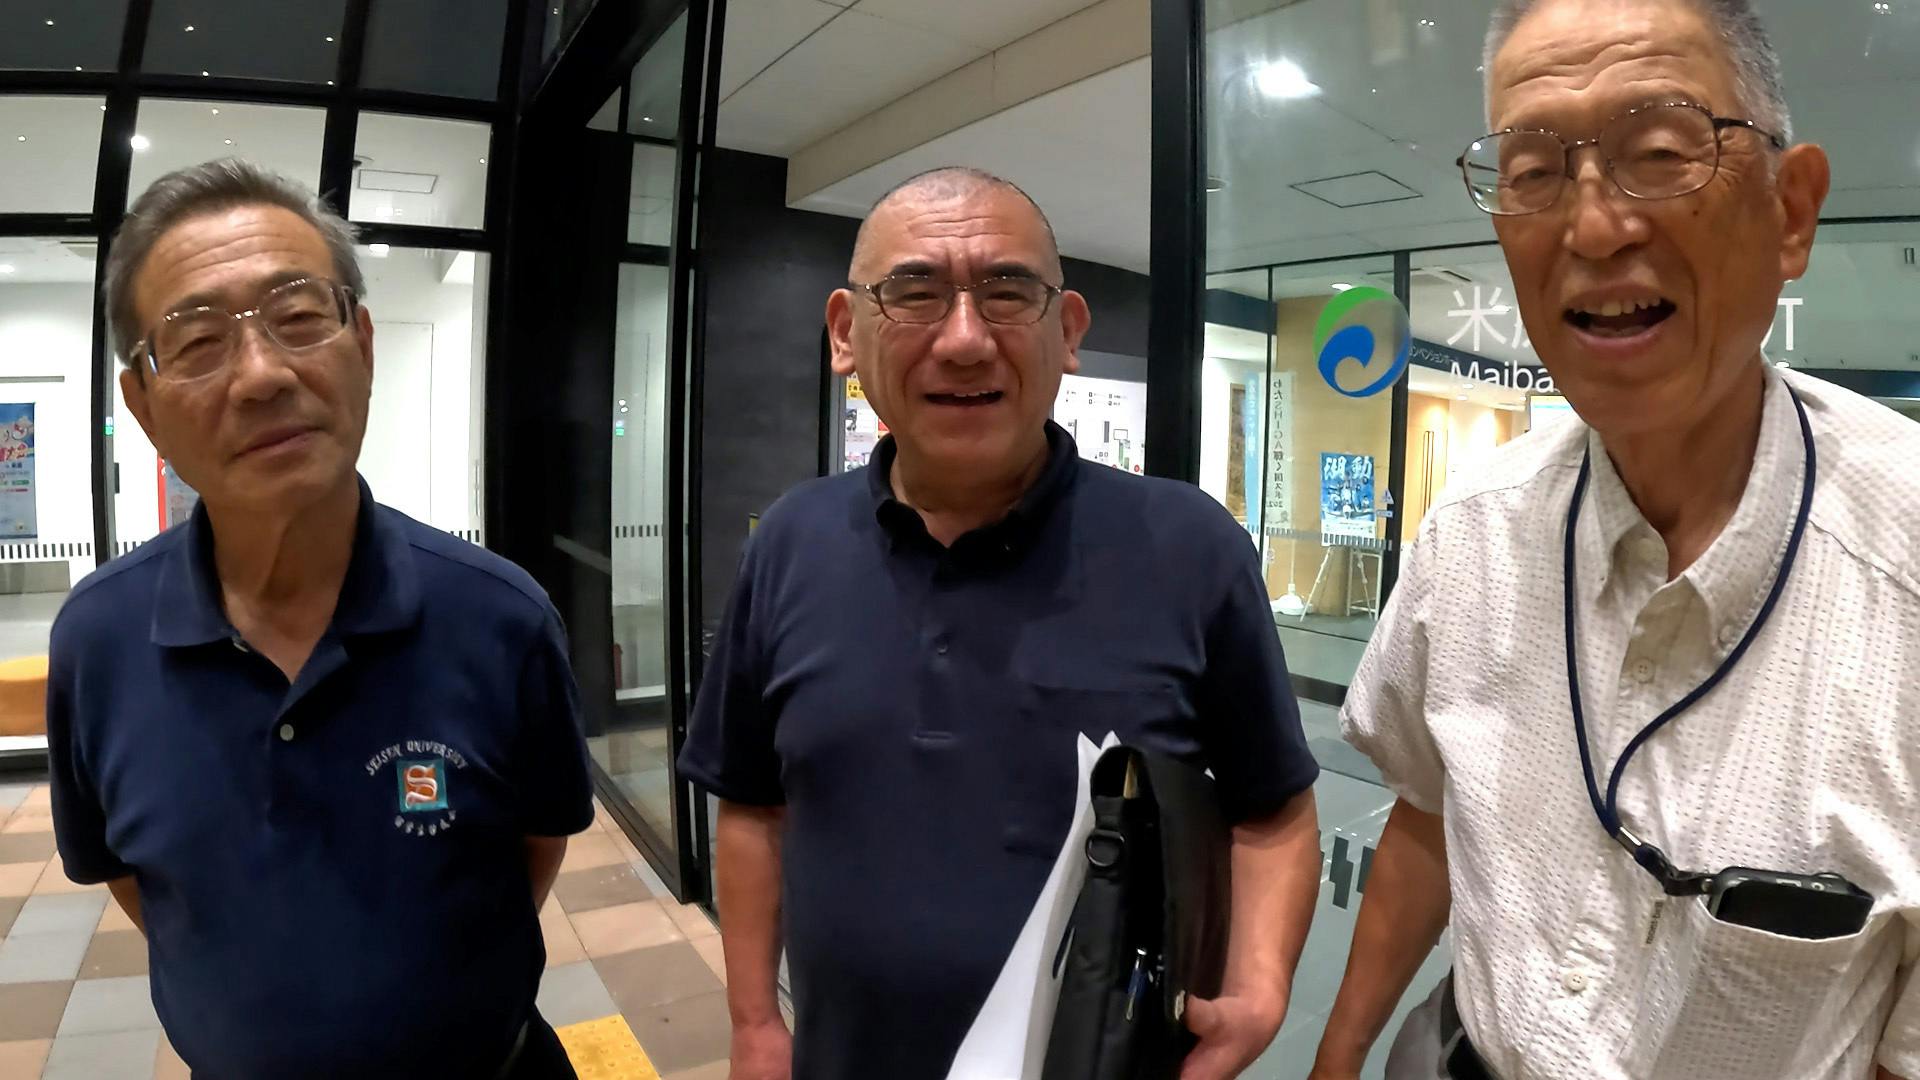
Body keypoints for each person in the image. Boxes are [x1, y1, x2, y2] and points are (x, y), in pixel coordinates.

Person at [1309, 1, 1919, 1078]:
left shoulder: (1900, 562)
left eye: (1662, 154)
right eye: (1533, 173)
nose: (1593, 230)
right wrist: (1336, 1057)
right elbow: (1428, 814)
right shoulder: (1472, 532)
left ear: (1791, 213)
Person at [679, 167, 1323, 1079]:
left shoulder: (1190, 548)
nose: (965, 339)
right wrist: (754, 1023)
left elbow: (1274, 808)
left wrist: (1258, 988)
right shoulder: (790, 541)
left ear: (1069, 333)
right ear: (844, 333)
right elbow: (753, 804)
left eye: (1008, 292)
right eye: (914, 292)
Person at [46, 160, 594, 1079]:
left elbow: (534, 849)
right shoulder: (98, 642)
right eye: (198, 341)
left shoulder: (502, 619)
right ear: (141, 404)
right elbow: (134, 878)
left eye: (299, 318)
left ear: (363, 346)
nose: (262, 375)